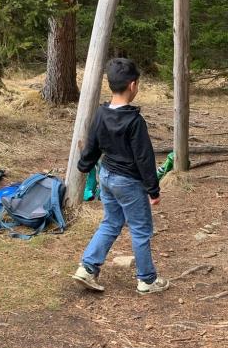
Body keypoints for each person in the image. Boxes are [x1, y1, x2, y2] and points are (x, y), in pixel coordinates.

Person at [72, 58, 170, 295]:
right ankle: (147, 280)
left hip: (106, 177)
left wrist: (84, 165)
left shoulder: (101, 113)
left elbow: (92, 144)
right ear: (133, 85)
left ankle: (87, 268)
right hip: (128, 183)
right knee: (140, 229)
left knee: (111, 222)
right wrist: (153, 190)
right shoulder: (135, 121)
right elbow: (144, 158)